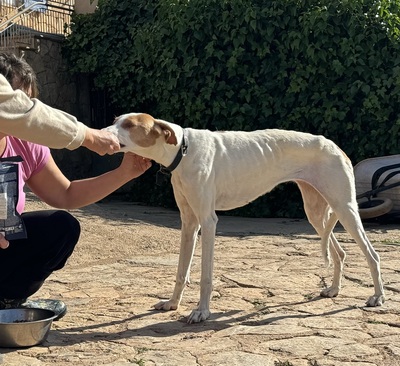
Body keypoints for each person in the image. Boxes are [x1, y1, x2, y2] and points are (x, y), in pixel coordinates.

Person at [0, 52, 152, 319]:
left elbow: (66, 194)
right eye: (17, 102)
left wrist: (124, 173)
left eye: (29, 102)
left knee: (61, 227)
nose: (23, 112)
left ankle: (7, 300)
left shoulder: (26, 144)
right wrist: (87, 137)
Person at [0, 71, 119, 156]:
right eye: (23, 99)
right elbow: (17, 110)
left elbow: (65, 191)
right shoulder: (25, 143)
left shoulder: (31, 148)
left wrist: (125, 173)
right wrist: (89, 137)